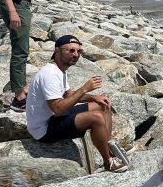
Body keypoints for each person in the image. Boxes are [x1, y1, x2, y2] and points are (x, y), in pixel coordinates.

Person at [25, 35, 127, 173]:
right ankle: (108, 161)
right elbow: (58, 109)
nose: (76, 55)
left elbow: (68, 95)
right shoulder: (49, 74)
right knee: (96, 118)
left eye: (78, 51)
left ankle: (110, 148)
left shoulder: (59, 70)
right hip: (44, 128)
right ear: (57, 51)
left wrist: (94, 98)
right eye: (71, 50)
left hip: (53, 119)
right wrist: (84, 88)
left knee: (102, 105)